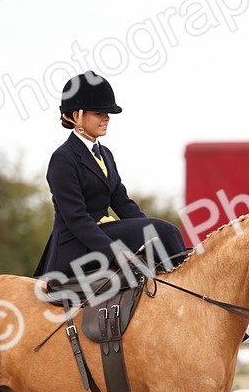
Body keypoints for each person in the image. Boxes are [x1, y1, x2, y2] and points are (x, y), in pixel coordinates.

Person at [33, 71, 187, 281]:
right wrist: (113, 251)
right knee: (165, 231)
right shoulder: (63, 158)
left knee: (164, 232)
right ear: (76, 115)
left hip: (105, 233)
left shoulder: (105, 154)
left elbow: (123, 204)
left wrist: (150, 231)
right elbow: (76, 219)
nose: (106, 118)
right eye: (99, 113)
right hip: (78, 246)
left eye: (108, 113)